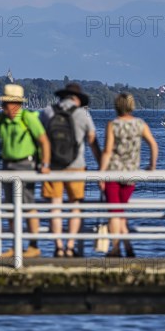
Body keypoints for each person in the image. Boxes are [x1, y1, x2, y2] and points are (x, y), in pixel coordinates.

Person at [0, 84, 51, 258]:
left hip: (26, 166)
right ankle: (15, 245)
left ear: (15, 104)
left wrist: (45, 164)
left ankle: (33, 246)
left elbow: (44, 141)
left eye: (6, 103)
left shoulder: (28, 118)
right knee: (9, 208)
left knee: (28, 206)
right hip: (7, 166)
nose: (3, 107)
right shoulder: (1, 119)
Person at [39, 83, 101, 257]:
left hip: (52, 167)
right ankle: (70, 246)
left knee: (55, 208)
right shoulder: (83, 114)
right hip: (77, 166)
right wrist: (101, 168)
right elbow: (93, 142)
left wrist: (41, 163)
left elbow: (39, 139)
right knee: (75, 207)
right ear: (77, 99)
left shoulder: (47, 112)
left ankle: (58, 247)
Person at [100, 93, 158, 257]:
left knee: (114, 213)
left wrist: (101, 175)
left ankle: (116, 248)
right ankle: (128, 247)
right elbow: (153, 145)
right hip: (131, 175)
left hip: (113, 174)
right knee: (120, 212)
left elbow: (107, 151)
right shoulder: (140, 124)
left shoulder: (113, 125)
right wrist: (151, 166)